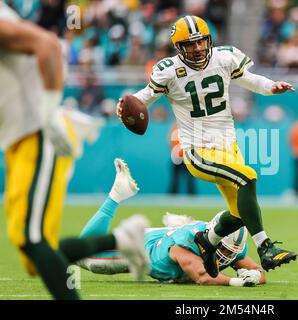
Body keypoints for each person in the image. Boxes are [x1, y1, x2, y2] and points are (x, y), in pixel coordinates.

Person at [117, 15, 297, 278]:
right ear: (179, 47)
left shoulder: (224, 57)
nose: (198, 48)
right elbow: (143, 98)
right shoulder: (168, 70)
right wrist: (123, 105)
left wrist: (272, 87)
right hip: (197, 149)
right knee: (248, 176)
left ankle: (207, 242)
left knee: (239, 214)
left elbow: (248, 79)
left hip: (228, 146)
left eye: (201, 41)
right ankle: (266, 248)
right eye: (190, 44)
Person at [0, 3, 149, 300]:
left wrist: (47, 113)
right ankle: (120, 238)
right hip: (19, 139)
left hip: (40, 132)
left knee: (33, 240)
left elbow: (48, 45)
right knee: (33, 255)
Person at [77, 159, 266, 287]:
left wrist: (255, 275)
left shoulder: (230, 245)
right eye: (223, 250)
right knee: (82, 255)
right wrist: (238, 281)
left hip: (165, 236)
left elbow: (259, 273)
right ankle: (117, 194)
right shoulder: (186, 246)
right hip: (143, 248)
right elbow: (203, 277)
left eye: (230, 252)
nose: (226, 256)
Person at [168, 123, 196, 195]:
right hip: (178, 157)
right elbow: (171, 141)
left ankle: (192, 196)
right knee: (175, 178)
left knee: (190, 179)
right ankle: (172, 195)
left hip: (187, 157)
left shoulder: (188, 127)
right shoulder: (176, 126)